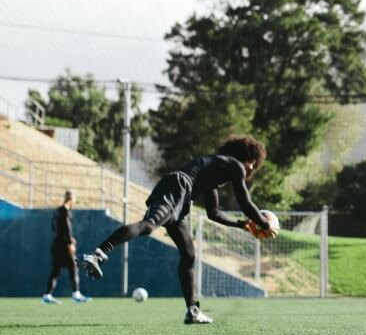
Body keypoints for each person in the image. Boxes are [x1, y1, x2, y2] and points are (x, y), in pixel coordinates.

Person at [79, 136, 276, 324]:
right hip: (178, 188)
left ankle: (193, 311)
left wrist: (242, 225)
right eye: (252, 162)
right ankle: (98, 254)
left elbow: (213, 213)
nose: (251, 167)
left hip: (179, 196)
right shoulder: (235, 165)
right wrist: (265, 223)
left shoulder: (215, 172)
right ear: (248, 159)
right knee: (148, 226)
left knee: (189, 254)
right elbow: (245, 202)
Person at [41, 190, 91, 304]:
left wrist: (66, 237)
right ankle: (76, 294)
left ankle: (47, 295)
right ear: (71, 199)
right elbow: (67, 227)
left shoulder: (58, 210)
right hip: (63, 245)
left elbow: (54, 228)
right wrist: (69, 243)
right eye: (74, 199)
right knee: (73, 268)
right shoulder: (65, 211)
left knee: (56, 271)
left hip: (56, 244)